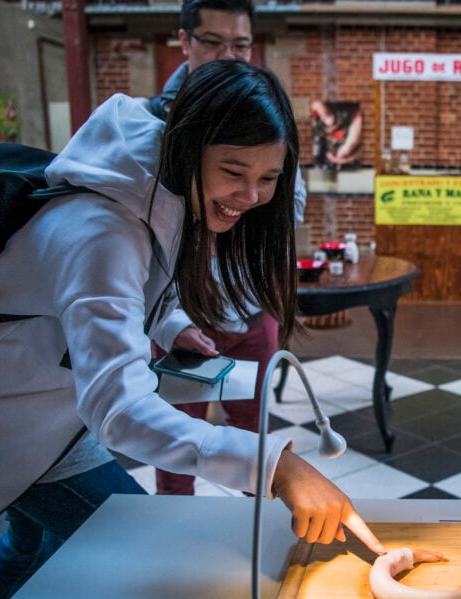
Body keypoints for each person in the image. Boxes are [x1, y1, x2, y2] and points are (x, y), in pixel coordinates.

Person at [0, 60, 383, 599]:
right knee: (140, 547)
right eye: (233, 171)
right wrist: (275, 466)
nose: (250, 196)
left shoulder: (152, 186)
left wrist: (169, 323)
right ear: (189, 149)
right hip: (1, 414)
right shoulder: (102, 226)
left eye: (269, 177)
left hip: (40, 400)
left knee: (31, 536)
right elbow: (118, 408)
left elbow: (102, 291)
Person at [144, 0, 309, 496]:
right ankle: (177, 545)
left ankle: (250, 541)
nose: (229, 58)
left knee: (252, 429)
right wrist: (173, 321)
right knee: (177, 438)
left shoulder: (266, 115)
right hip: (184, 317)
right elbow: (119, 410)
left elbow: (287, 208)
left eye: (240, 45)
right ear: (185, 42)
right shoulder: (157, 126)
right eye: (214, 43)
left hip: (250, 310)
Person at [310, 99, 363, 169]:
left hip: (350, 162)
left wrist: (348, 147)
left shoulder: (348, 114)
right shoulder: (318, 119)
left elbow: (357, 116)